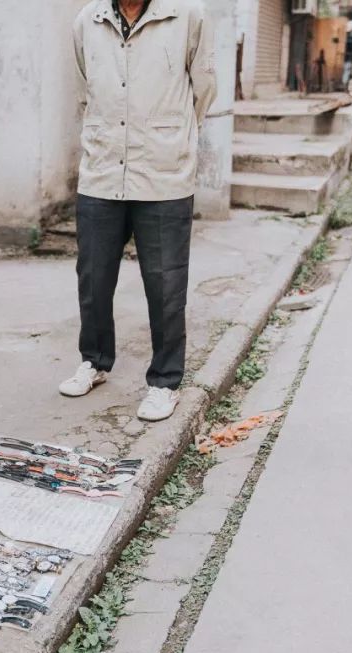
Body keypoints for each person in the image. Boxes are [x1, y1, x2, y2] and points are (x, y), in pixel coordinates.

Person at [62, 0, 216, 422]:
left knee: (165, 285)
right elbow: (84, 92)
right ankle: (94, 361)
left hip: (163, 174)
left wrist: (172, 136)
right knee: (93, 277)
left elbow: (203, 87)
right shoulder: (87, 20)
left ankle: (165, 382)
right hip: (102, 171)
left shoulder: (188, 15)